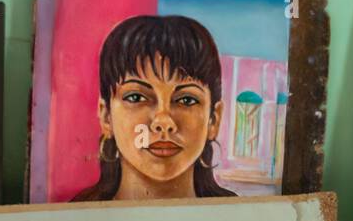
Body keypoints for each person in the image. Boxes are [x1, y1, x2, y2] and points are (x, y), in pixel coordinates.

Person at [74, 15, 237, 202]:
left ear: (213, 120)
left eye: (186, 100)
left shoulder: (237, 218)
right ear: (106, 117)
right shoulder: (73, 218)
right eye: (136, 97)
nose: (164, 121)